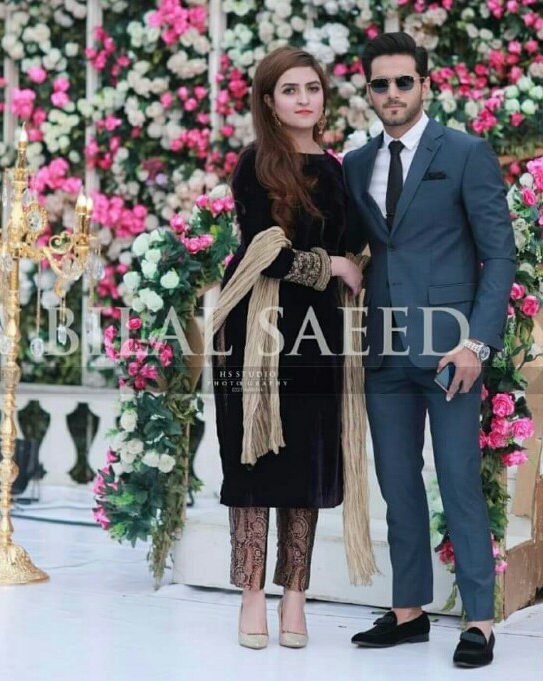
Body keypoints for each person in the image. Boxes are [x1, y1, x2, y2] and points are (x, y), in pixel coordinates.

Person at [343, 32, 516, 667]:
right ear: (369, 91)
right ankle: (409, 609)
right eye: (380, 84)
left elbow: (499, 254)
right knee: (397, 485)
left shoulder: (467, 153)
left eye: (403, 81)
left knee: (460, 484)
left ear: (425, 84)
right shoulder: (357, 164)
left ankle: (479, 618)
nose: (393, 93)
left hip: (452, 354)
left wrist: (476, 341)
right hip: (384, 352)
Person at [211, 46, 376, 650]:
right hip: (257, 329)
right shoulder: (256, 163)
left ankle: (295, 597)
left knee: (307, 460)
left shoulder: (336, 169)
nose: (305, 98)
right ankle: (252, 595)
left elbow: (358, 240)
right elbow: (265, 251)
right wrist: (329, 262)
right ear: (269, 102)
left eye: (313, 87)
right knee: (254, 459)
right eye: (290, 89)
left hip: (320, 336)